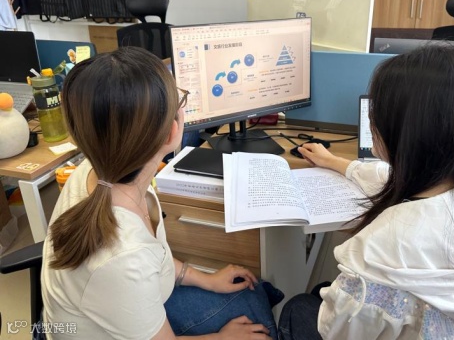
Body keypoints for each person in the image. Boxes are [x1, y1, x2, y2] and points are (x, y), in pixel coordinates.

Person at [278, 45, 454, 339]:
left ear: (407, 131)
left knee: (298, 306)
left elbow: (336, 331)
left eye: (377, 111)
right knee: (324, 292)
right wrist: (334, 162)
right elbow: (386, 177)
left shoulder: (382, 246)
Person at [41, 47, 277, 340]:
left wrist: (204, 278)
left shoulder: (106, 169)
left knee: (256, 294)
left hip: (137, 301)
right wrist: (222, 338)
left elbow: (155, 258)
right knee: (260, 318)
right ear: (171, 133)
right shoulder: (122, 258)